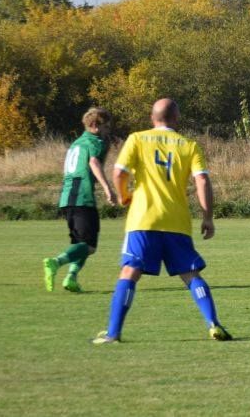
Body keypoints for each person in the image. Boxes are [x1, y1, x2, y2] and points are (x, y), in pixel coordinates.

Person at [92, 99, 232, 344]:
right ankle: (213, 323)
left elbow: (118, 172)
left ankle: (113, 332)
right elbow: (202, 181)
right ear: (176, 119)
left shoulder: (136, 139)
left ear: (152, 117)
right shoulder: (188, 145)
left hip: (143, 218)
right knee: (191, 274)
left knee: (129, 271)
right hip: (176, 220)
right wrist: (207, 216)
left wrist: (124, 195)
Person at [43, 107, 117, 293]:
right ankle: (56, 262)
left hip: (67, 197)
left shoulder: (77, 142)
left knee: (80, 245)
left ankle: (71, 278)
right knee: (89, 246)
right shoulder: (95, 141)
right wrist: (108, 188)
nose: (108, 130)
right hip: (82, 197)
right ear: (94, 125)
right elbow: (93, 162)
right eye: (106, 126)